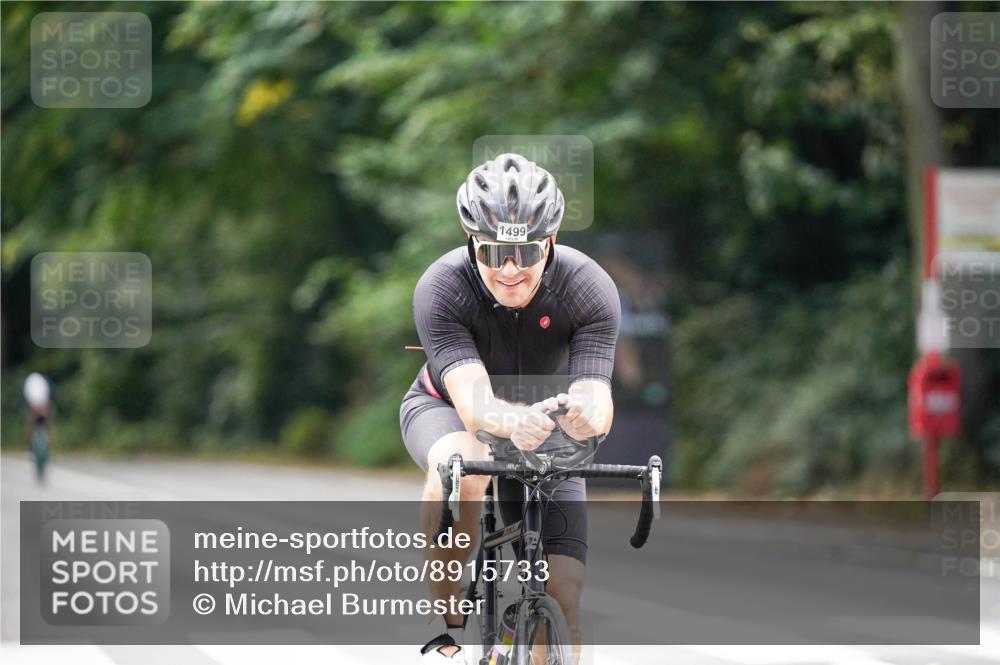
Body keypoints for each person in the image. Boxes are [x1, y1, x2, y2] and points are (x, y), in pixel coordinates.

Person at [400, 153, 621, 662]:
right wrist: (511, 421)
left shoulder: (588, 287)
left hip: (546, 426)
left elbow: (596, 394)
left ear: (550, 242)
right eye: (493, 250)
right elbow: (476, 407)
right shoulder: (443, 287)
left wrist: (590, 416)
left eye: (524, 252)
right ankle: (449, 624)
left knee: (563, 596)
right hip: (450, 410)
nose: (509, 269)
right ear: (472, 242)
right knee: (461, 466)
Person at [23, 372, 54, 478]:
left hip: (43, 406)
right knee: (29, 425)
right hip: (33, 407)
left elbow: (49, 405)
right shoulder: (31, 390)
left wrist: (46, 413)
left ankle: (48, 452)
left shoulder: (45, 391)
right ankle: (30, 449)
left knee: (48, 427)